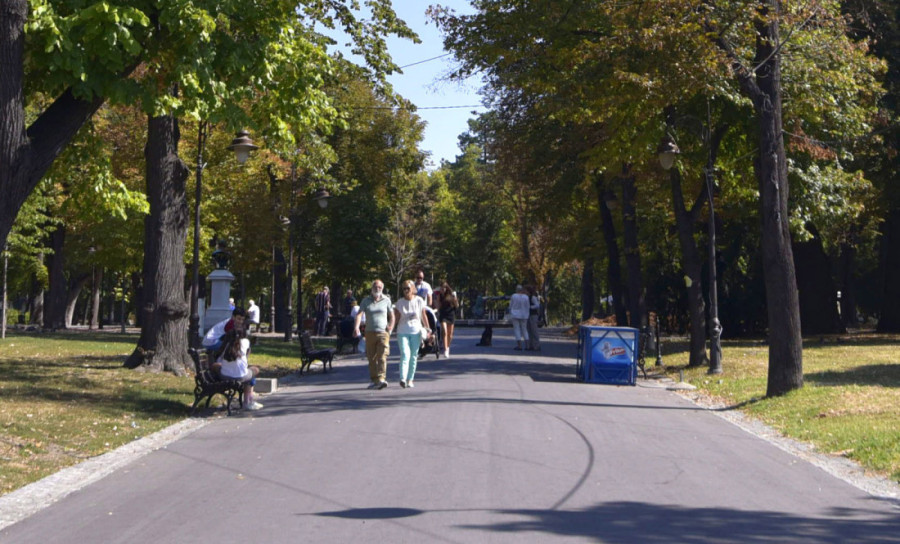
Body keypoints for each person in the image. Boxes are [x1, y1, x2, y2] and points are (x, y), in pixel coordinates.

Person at [354, 279, 394, 389]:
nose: (378, 289)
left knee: (382, 356)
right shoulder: (366, 301)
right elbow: (359, 315)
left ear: (382, 288)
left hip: (383, 333)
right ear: (372, 288)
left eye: (380, 287)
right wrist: (356, 327)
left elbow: (392, 316)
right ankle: (374, 380)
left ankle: (381, 378)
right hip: (370, 333)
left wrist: (390, 326)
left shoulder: (386, 300)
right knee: (371, 358)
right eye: (376, 287)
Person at [394, 279, 432, 388]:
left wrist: (428, 329)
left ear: (413, 289)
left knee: (413, 356)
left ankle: (410, 379)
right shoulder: (400, 302)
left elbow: (423, 315)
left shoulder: (419, 301)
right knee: (405, 354)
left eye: (408, 288)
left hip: (416, 331)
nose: (406, 290)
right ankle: (402, 378)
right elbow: (396, 317)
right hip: (402, 331)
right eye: (404, 288)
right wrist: (390, 328)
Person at [217, 328, 263, 411]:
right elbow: (247, 355)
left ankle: (248, 400)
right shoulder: (245, 342)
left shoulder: (225, 344)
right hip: (241, 376)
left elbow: (220, 358)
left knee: (216, 366)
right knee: (254, 371)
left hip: (225, 376)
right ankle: (248, 401)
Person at [438, 281, 458, 358]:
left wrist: (455, 299)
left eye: (444, 288)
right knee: (444, 331)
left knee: (450, 335)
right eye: (441, 288)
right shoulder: (440, 295)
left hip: (451, 314)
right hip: (443, 315)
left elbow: (456, 305)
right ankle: (445, 349)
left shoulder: (452, 294)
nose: (442, 289)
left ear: (446, 288)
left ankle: (448, 347)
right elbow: (438, 305)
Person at [508, 285, 530, 350]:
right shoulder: (526, 297)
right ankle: (527, 345)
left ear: (516, 290)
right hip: (524, 315)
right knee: (524, 329)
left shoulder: (513, 296)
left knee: (517, 329)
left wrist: (510, 311)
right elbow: (528, 306)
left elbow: (510, 305)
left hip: (515, 314)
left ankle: (519, 345)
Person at [525, 285, 542, 351]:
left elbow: (537, 305)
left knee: (534, 330)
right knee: (529, 330)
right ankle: (530, 345)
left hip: (533, 315)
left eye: (525, 291)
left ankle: (537, 345)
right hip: (527, 315)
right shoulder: (526, 298)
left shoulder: (533, 297)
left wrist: (530, 307)